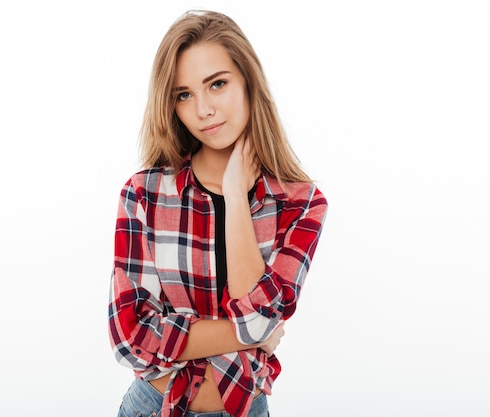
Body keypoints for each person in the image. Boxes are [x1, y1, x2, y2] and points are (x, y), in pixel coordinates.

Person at [108, 10, 327, 417]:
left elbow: (259, 318)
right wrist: (251, 335)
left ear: (248, 81)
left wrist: (234, 196)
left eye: (218, 84)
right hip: (153, 407)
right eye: (184, 94)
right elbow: (130, 336)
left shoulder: (300, 203)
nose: (203, 109)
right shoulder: (144, 194)